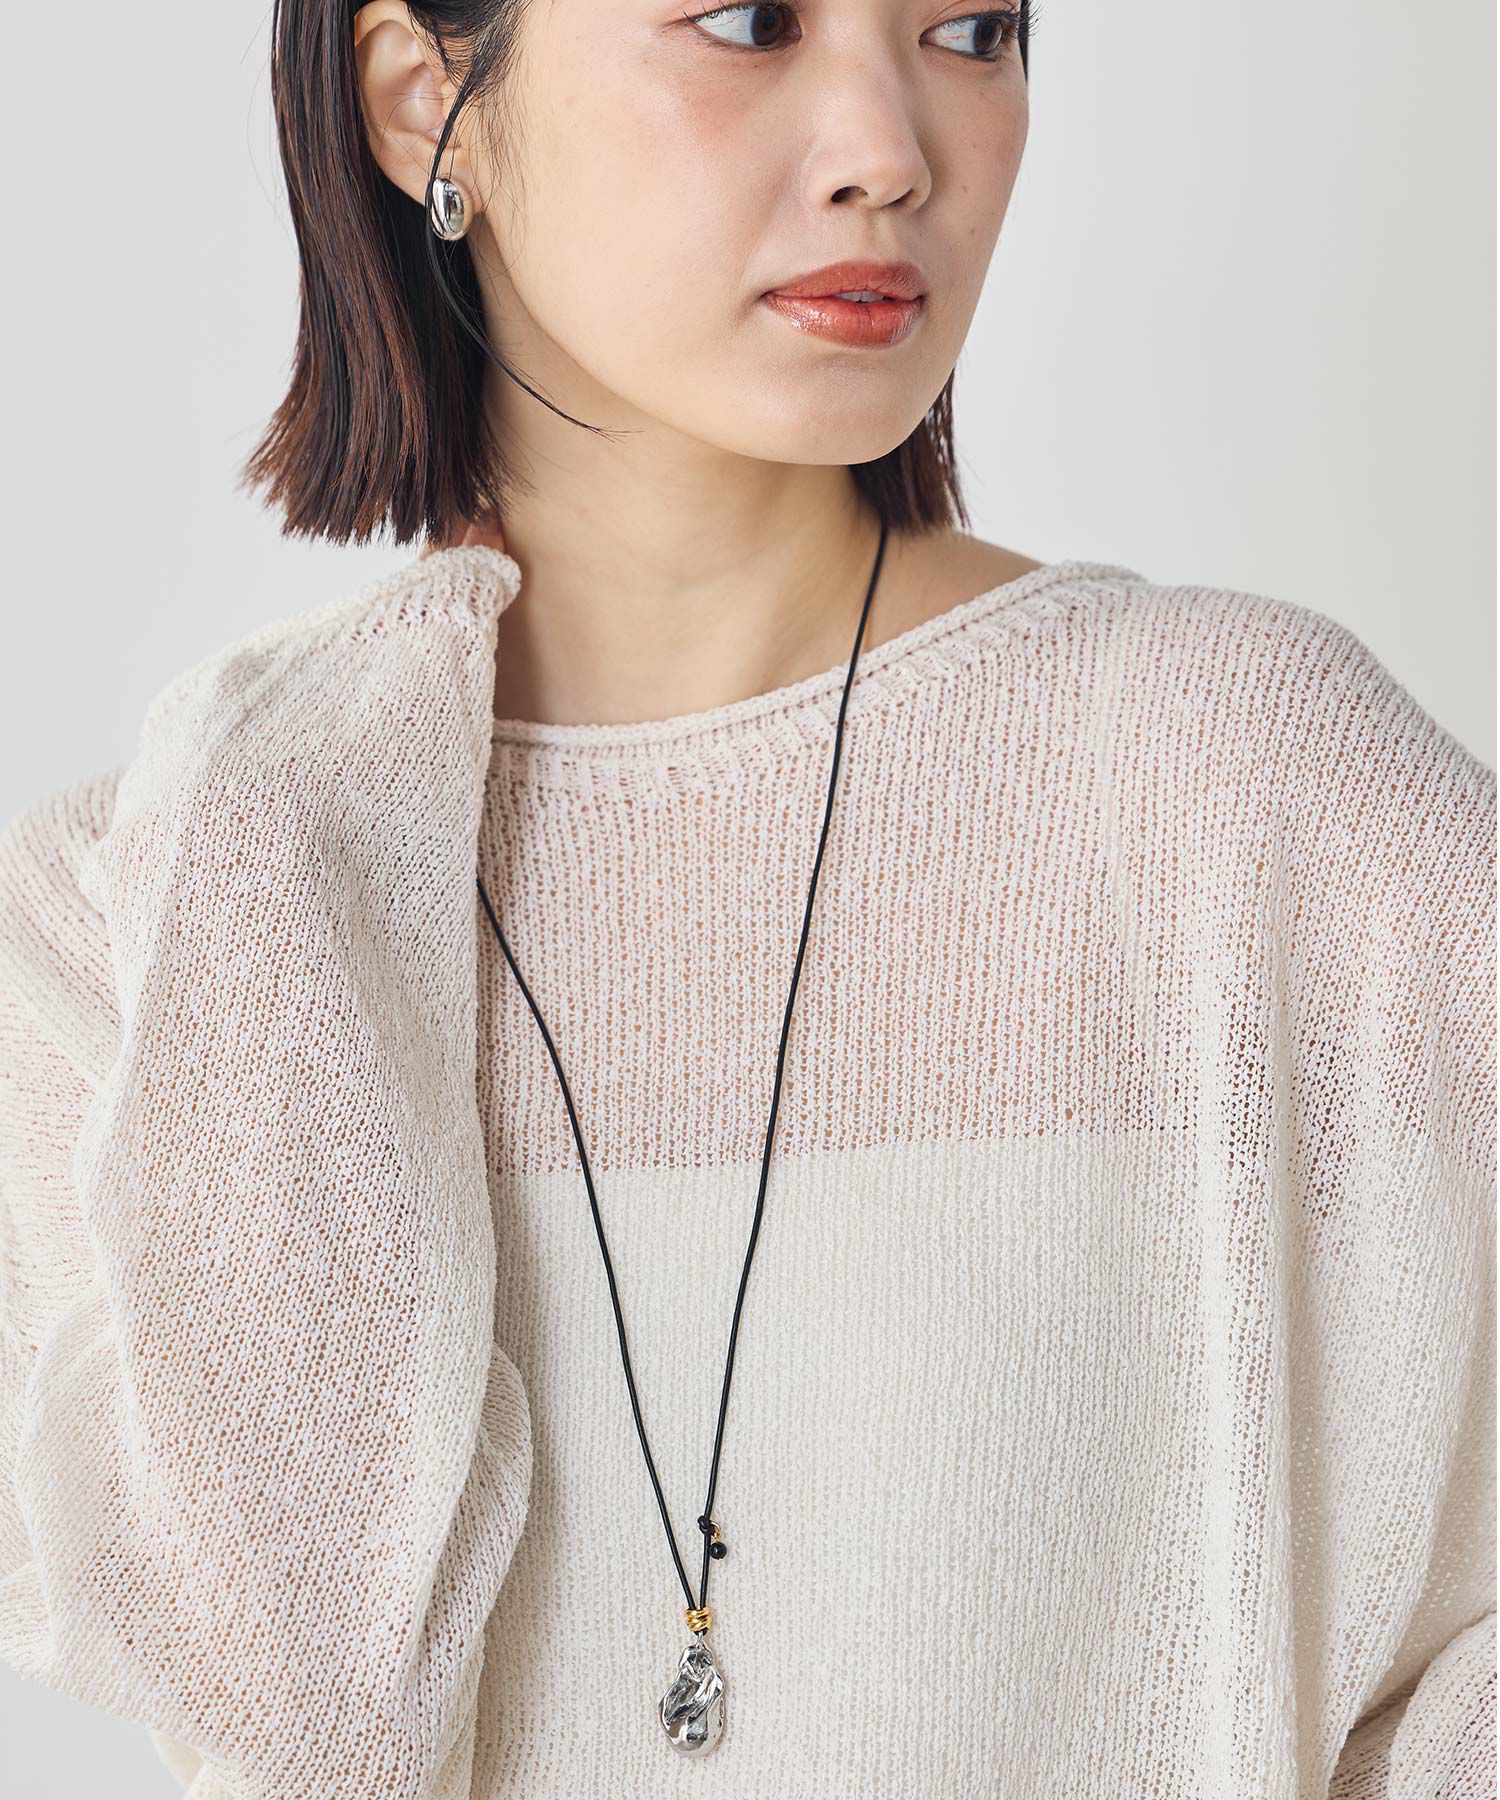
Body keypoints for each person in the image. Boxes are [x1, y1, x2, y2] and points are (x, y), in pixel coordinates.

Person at [0, 2, 1492, 1797]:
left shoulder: (1246, 799)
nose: (890, 151)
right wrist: (276, 860)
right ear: (422, 101)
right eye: (748, 22)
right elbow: (296, 1708)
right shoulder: (149, 923)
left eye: (969, 29)